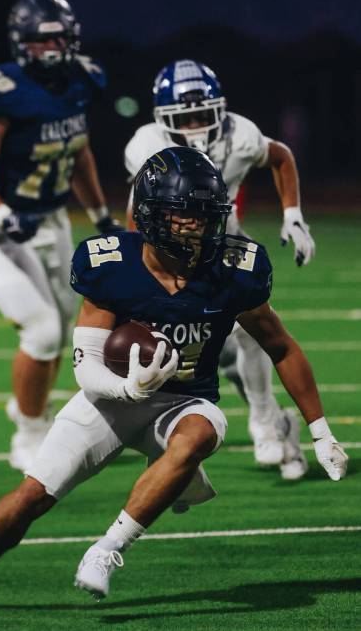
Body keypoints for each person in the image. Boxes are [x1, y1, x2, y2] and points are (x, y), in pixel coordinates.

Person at [0, 147, 347, 613]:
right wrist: (128, 388)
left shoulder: (234, 270)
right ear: (150, 215)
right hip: (112, 398)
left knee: (201, 433)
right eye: (183, 215)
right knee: (30, 498)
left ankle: (108, 548)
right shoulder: (112, 265)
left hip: (187, 400)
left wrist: (320, 430)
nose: (198, 226)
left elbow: (280, 345)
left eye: (206, 214)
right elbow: (86, 365)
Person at [0, 0, 122, 472]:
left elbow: (78, 152)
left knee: (65, 329)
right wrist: (6, 216)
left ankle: (32, 407)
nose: (48, 49)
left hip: (51, 220)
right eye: (37, 40)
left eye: (56, 38)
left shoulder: (82, 80)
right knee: (42, 330)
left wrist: (99, 213)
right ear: (19, 43)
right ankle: (28, 434)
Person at [124, 59, 317, 479]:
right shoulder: (145, 145)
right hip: (170, 254)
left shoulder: (240, 134)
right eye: (184, 117)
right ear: (163, 118)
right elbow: (136, 214)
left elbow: (280, 156)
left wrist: (293, 215)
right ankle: (280, 426)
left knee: (253, 330)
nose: (194, 125)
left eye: (202, 114)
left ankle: (266, 421)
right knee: (196, 353)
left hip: (225, 246)